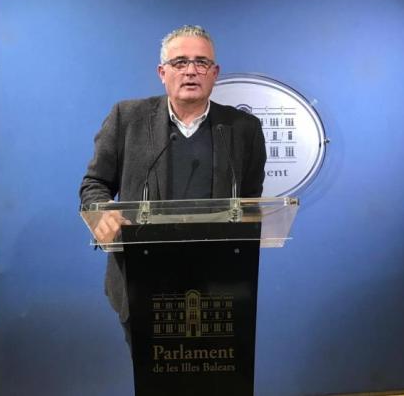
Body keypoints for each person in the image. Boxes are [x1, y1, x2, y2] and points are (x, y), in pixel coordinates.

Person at [79, 25, 266, 341]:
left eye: (201, 62)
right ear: (162, 73)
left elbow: (250, 200)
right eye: (180, 62)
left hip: (219, 281)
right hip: (142, 277)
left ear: (215, 73)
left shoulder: (243, 128)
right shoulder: (127, 118)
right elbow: (94, 184)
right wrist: (103, 211)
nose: (191, 71)